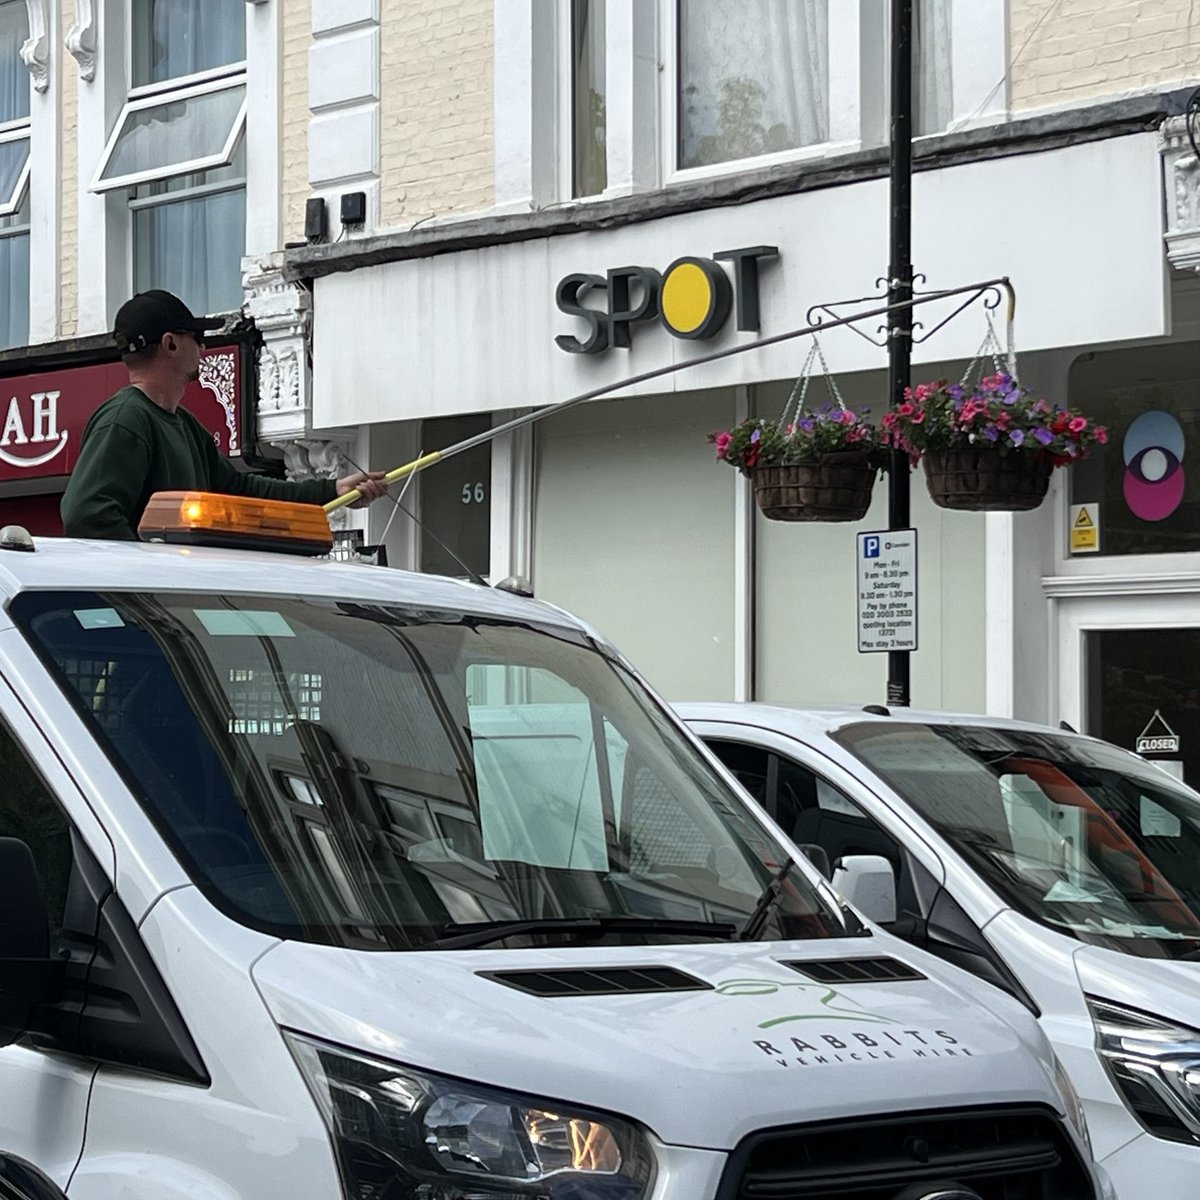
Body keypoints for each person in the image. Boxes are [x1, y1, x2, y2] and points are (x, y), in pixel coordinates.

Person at [60, 290, 388, 540]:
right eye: (197, 338)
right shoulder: (125, 420)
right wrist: (150, 577)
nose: (203, 348)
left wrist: (332, 491)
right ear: (170, 344)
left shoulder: (184, 425)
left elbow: (238, 488)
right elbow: (86, 514)